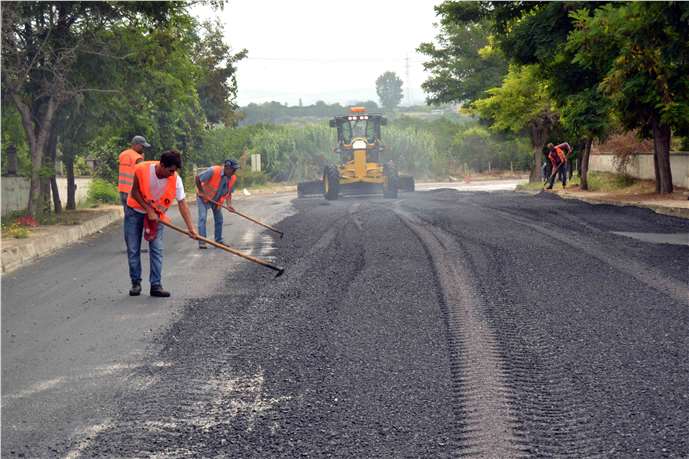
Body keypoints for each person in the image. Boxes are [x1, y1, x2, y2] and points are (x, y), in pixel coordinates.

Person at [125, 149, 198, 297]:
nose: (172, 174)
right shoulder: (141, 169)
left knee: (157, 249)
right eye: (170, 170)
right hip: (135, 212)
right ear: (162, 165)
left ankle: (156, 285)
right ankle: (136, 283)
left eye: (175, 171)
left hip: (157, 216)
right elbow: (134, 192)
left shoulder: (176, 179)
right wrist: (147, 210)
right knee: (133, 249)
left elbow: (182, 203)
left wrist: (191, 228)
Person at [195, 159, 239, 249]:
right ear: (227, 167)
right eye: (233, 169)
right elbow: (197, 178)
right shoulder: (213, 171)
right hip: (203, 198)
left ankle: (218, 241)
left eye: (235, 170)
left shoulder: (232, 178)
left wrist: (229, 205)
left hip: (216, 200)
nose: (235, 172)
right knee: (202, 218)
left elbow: (229, 192)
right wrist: (201, 192)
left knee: (219, 219)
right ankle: (202, 241)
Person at [118, 135, 149, 210]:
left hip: (122, 190)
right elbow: (142, 174)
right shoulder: (137, 158)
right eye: (142, 146)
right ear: (136, 145)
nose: (143, 149)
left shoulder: (122, 154)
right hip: (132, 192)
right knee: (134, 216)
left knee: (127, 214)